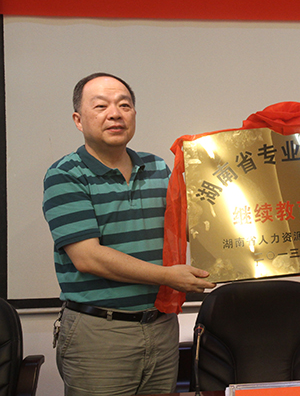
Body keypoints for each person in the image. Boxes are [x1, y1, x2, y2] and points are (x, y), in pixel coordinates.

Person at [42, 72, 216, 396]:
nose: (115, 114)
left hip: (161, 326)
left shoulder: (158, 168)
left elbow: (191, 229)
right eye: (101, 106)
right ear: (78, 120)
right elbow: (88, 257)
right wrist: (168, 276)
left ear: (134, 114)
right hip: (100, 334)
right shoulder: (66, 174)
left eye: (124, 105)